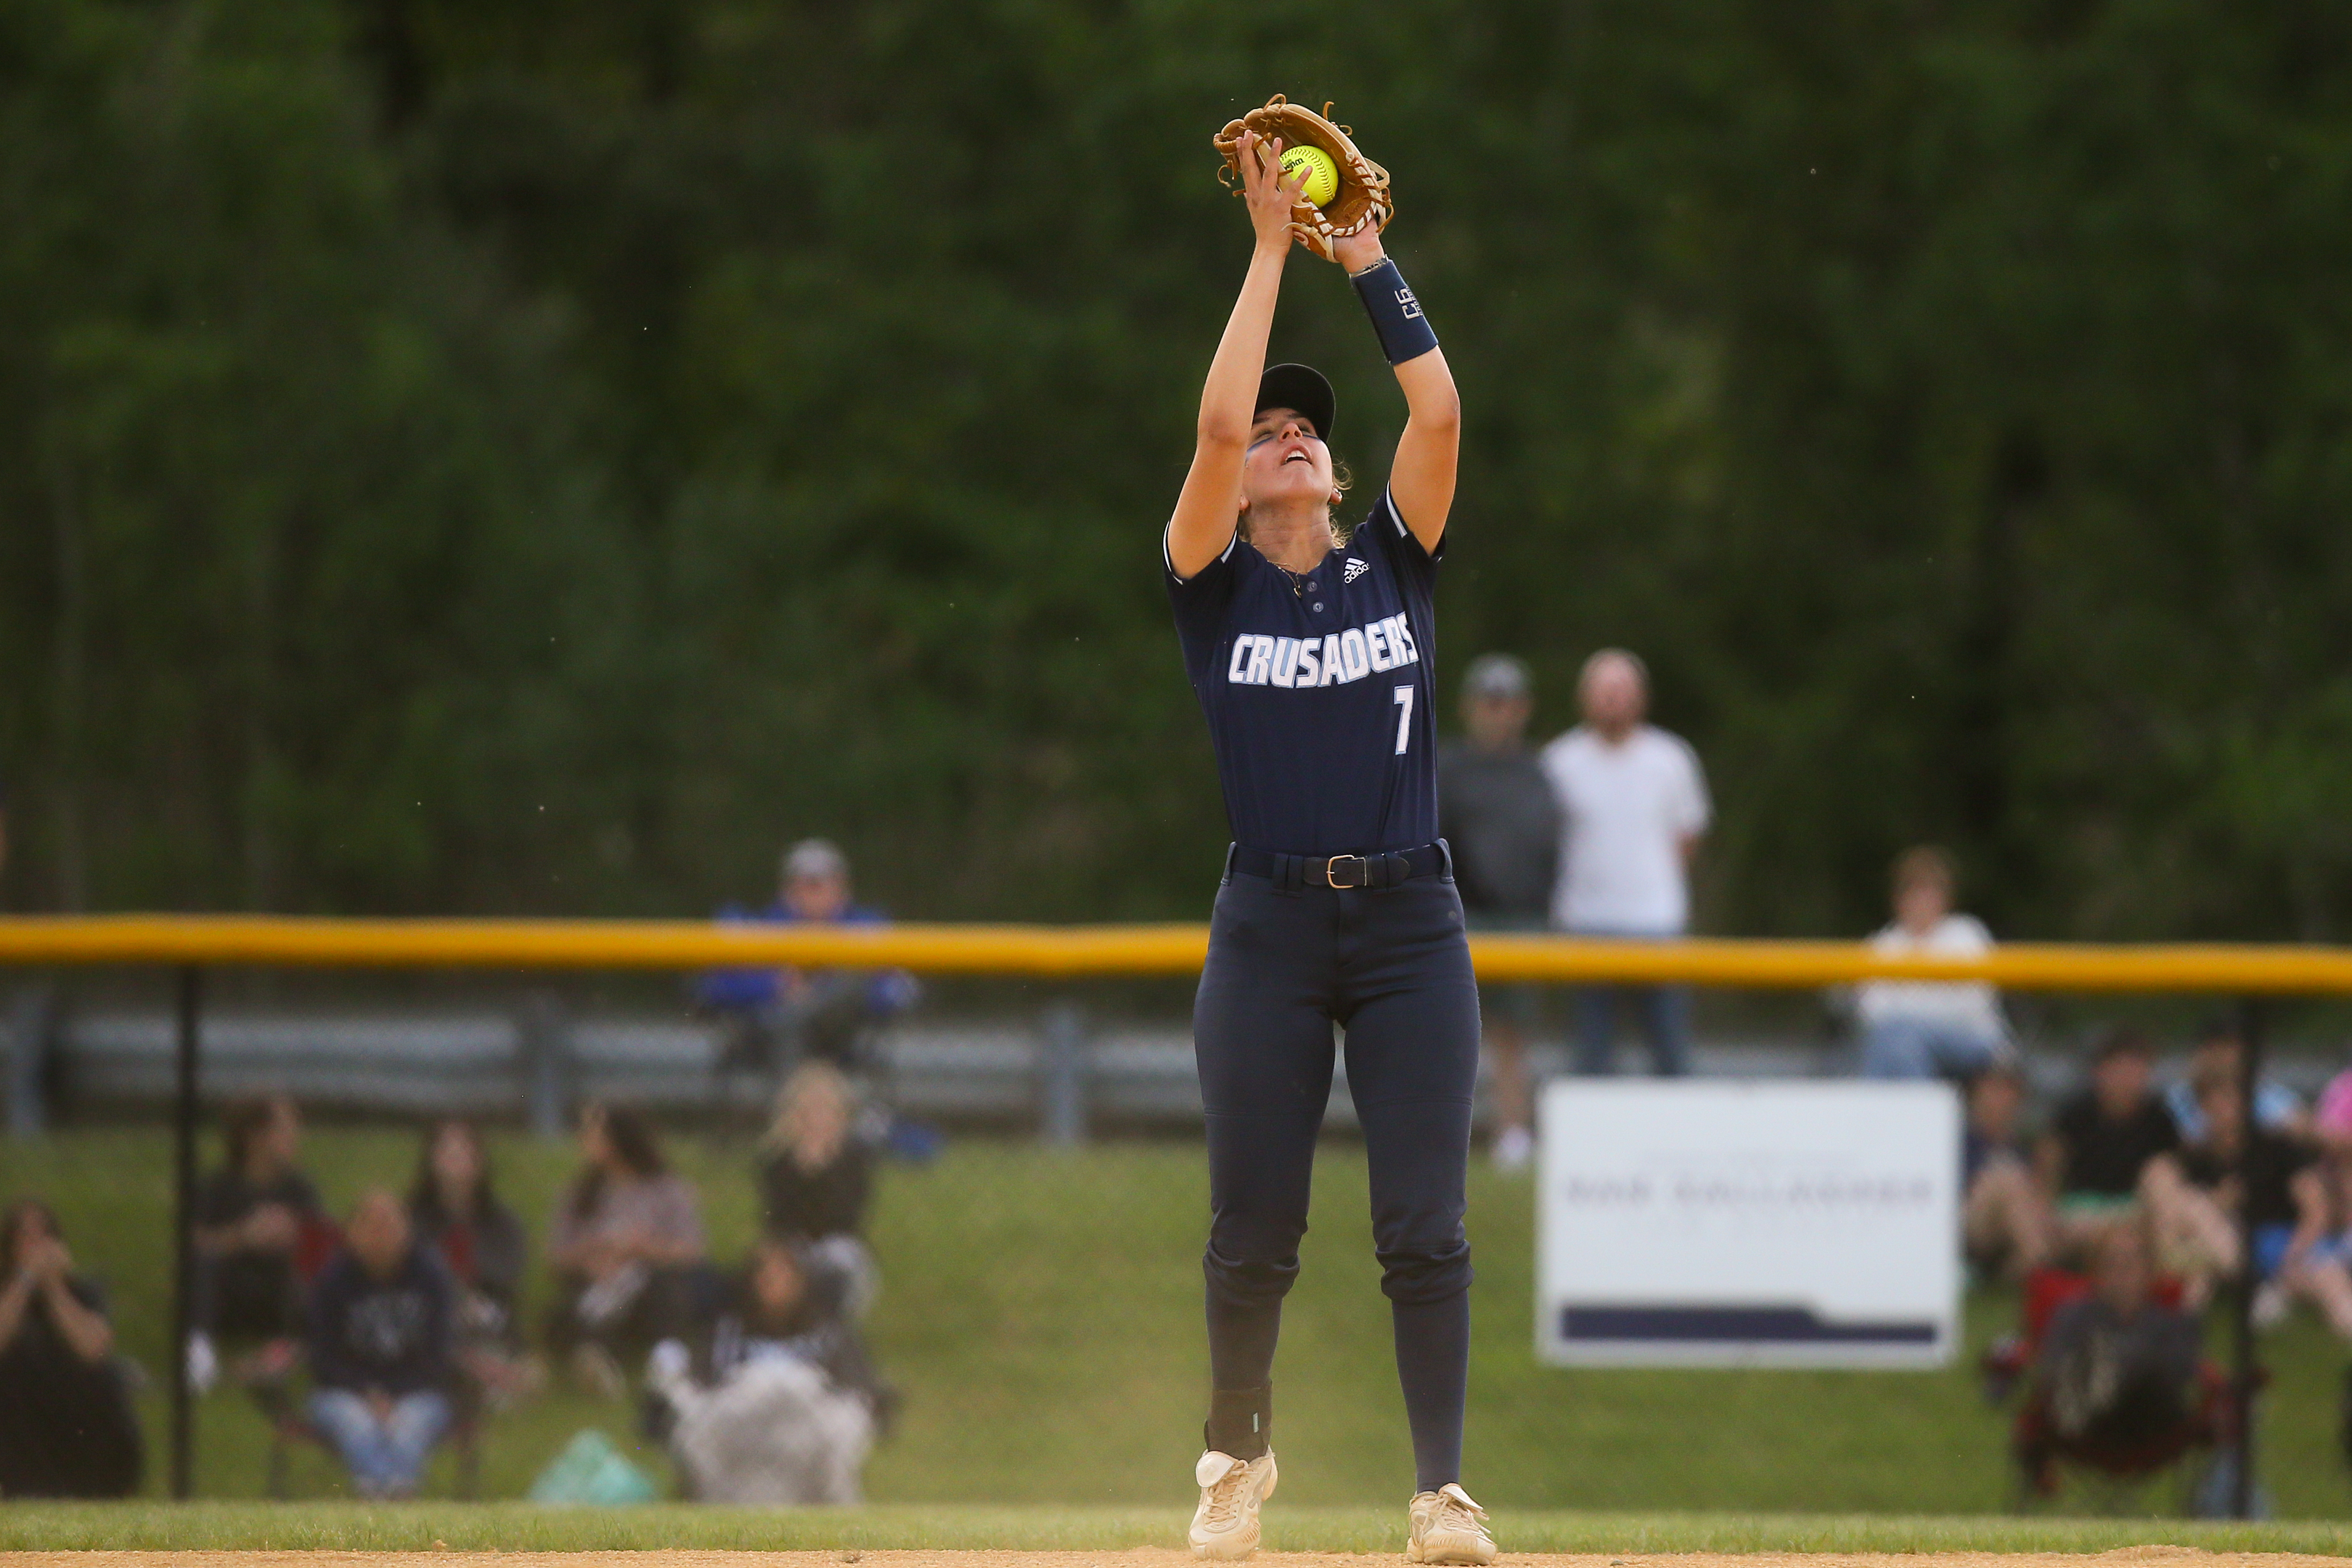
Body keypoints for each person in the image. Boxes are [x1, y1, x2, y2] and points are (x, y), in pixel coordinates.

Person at [1161, 126, 1490, 1563]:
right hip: (1270, 927)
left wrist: (1362, 259)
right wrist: (1266, 251)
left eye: (1313, 428)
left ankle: (1439, 1496)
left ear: (1340, 474)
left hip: (1413, 921)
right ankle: (1235, 1461)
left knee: (1423, 1226)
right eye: (1274, 433)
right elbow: (1219, 428)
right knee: (1256, 1231)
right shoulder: (1211, 584)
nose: (1289, 434)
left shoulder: (1393, 564)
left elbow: (1442, 413)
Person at [1540, 649, 1710, 1077]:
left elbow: (1688, 838)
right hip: (1584, 925)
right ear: (1584, 698)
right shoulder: (1559, 762)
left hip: (1657, 925)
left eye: (1622, 691)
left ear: (1642, 697)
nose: (1613, 701)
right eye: (1604, 691)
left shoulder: (1671, 758)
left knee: (1671, 1049)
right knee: (1591, 1052)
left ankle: (1679, 1138)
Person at [1436, 653, 1559, 1171]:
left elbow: (1548, 845)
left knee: (1512, 1033)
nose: (1498, 713)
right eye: (1489, 702)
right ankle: (1441, 1138)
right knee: (1447, 1033)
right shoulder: (1447, 765)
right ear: (1470, 708)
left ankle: (1511, 1135)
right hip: (1458, 917)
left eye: (1506, 703)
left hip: (1520, 920)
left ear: (1523, 709)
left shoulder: (1537, 771)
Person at [651, 1238, 885, 1503]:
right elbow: (701, 1392)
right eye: (766, 1275)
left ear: (802, 1281)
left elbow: (856, 1394)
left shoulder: (828, 1333)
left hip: (804, 1435)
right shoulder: (727, 1331)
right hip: (742, 1436)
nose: (774, 1283)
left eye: (785, 1275)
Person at [695, 839, 920, 1074]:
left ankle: (802, 1097)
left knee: (831, 995)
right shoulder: (758, 929)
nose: (815, 894)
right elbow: (713, 987)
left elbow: (900, 992)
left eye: (822, 884)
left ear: (843, 889)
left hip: (838, 1037)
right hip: (770, 1038)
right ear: (787, 890)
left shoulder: (868, 929)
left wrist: (821, 988)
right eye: (806, 885)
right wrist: (776, 984)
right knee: (785, 1023)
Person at [2016, 1219, 2205, 1497]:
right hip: (2086, 1430)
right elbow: (2052, 1369)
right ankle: (2105, 1377)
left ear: (2149, 1272)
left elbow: (2180, 1375)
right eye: (2112, 1262)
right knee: (2078, 1372)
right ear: (2097, 1271)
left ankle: (2110, 1372)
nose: (2122, 1272)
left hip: (2152, 1422)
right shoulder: (2073, 1318)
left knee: (2144, 1365)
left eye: (2131, 1262)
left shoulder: (2171, 1323)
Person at [544, 1102, 706, 1395]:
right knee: (565, 1312)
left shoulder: (666, 1189)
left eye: (594, 1135)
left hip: (646, 1282)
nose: (586, 1142)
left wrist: (640, 1247)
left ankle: (656, 1360)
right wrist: (591, 1252)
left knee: (659, 1293)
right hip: (594, 1284)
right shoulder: (579, 1194)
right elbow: (557, 1256)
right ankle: (597, 1358)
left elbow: (691, 1250)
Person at [305, 1188, 457, 1498]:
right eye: (370, 1224)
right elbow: (322, 1359)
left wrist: (395, 1396)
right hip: (345, 1392)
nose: (380, 1234)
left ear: (408, 1230)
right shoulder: (331, 1283)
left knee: (410, 1424)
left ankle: (394, 1494)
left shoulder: (432, 1280)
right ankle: (379, 1494)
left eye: (390, 1224)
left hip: (417, 1391)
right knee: (355, 1422)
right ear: (350, 1233)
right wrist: (369, 1393)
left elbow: (441, 1356)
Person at [2144, 1072, 2325, 1309]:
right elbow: (2172, 1212)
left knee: (2197, 1209)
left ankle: (2241, 1285)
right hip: (2214, 1245)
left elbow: (2315, 1208)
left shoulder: (2277, 1148)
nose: (2225, 1108)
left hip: (2273, 1241)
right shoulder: (2196, 1156)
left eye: (2232, 1099)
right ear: (2203, 1108)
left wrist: (2294, 1255)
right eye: (2215, 1101)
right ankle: (2183, 1315)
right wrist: (2219, 1202)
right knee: (2186, 1202)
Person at [0, 1199, 142, 1497]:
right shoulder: (7, 1292)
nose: (37, 1247)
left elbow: (94, 1347)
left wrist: (54, 1287)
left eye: (44, 1236)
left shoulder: (82, 1291)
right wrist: (25, 1279)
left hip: (71, 1406)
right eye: (26, 1236)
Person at [189, 1093, 322, 1389]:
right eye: (285, 1128)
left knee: (309, 1273)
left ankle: (285, 1349)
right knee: (202, 1261)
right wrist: (244, 1236)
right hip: (230, 1295)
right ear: (255, 1137)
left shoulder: (299, 1188)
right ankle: (199, 1350)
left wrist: (293, 1237)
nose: (295, 1136)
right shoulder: (218, 1187)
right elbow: (194, 1244)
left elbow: (324, 1245)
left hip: (279, 1295)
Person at [1854, 846, 2009, 1080]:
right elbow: (1870, 1012)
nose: (1922, 901)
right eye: (1914, 892)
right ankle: (1911, 1111)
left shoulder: (1967, 934)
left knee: (1903, 1038)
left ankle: (1913, 1114)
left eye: (1930, 892)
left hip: (1974, 1042)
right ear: (1898, 899)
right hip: (1901, 1044)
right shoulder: (1884, 943)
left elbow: (1973, 1005)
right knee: (1899, 1043)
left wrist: (1912, 1017)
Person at [407, 1119, 536, 1397]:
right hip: (431, 1311)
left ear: (479, 1162)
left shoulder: (502, 1221)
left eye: (464, 1151)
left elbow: (506, 1274)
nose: (455, 1158)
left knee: (480, 1315)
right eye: (446, 1150)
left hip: (485, 1310)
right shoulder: (412, 1218)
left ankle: (491, 1374)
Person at [2036, 1029, 2179, 1241]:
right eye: (2119, 1069)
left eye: (2135, 1070)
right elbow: (2047, 1175)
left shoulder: (2162, 1120)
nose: (2126, 1079)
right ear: (2100, 1072)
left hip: (2140, 1212)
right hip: (2081, 1212)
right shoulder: (2073, 1117)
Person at [758, 1061, 877, 1315]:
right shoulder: (778, 1163)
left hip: (836, 1244)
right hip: (793, 1242)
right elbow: (779, 1218)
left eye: (825, 1111)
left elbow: (844, 1217)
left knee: (838, 1260)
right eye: (807, 1112)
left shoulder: (853, 1160)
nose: (816, 1120)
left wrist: (820, 1171)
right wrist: (801, 1168)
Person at [1963, 1065, 2054, 1281]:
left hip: (2010, 1235)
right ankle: (2046, 1270)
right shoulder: (1957, 1142)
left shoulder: (2020, 1149)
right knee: (2007, 1179)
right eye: (1993, 1090)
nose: (2000, 1100)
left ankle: (2028, 1269)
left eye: (2008, 1092)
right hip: (1969, 1225)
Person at [2164, 1018, 2303, 1144]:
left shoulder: (2261, 1093)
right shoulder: (2178, 1099)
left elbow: (2299, 1125)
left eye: (2229, 1052)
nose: (2223, 1062)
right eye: (2216, 1052)